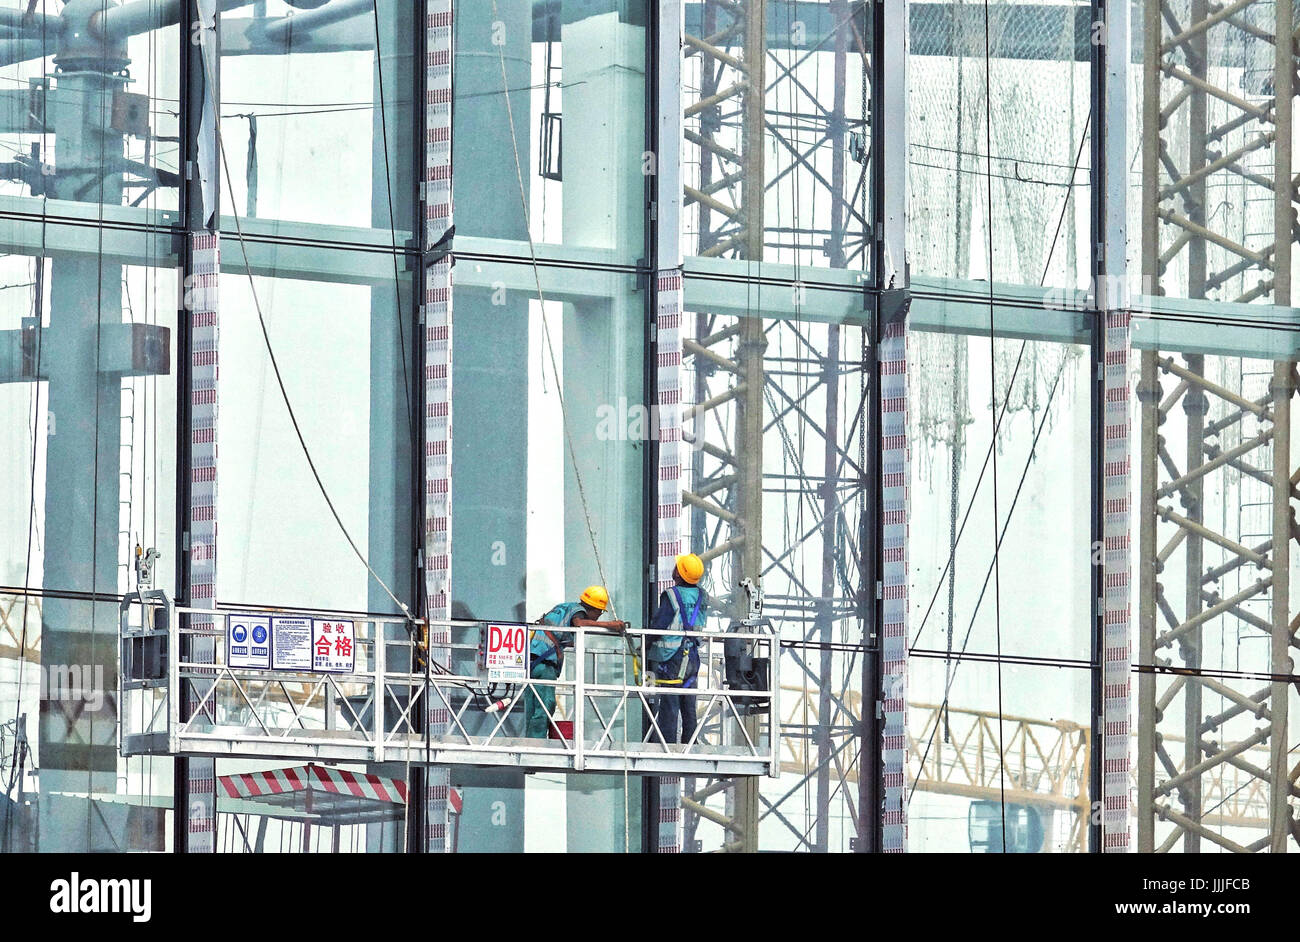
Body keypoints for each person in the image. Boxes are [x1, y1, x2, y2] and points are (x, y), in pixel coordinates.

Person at [525, 585, 626, 739]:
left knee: (533, 706)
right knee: (546, 705)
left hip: (532, 661)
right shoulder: (578, 612)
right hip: (545, 664)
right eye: (600, 612)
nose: (599, 615)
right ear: (592, 608)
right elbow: (579, 623)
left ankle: (530, 742)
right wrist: (609, 625)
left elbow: (561, 634)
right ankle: (535, 743)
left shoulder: (563, 608)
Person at [646, 553, 708, 746]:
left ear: (679, 574)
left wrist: (645, 644)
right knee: (688, 699)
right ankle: (690, 742)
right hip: (693, 657)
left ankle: (667, 744)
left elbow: (660, 624)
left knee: (670, 701)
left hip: (671, 657)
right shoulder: (701, 596)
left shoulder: (672, 595)